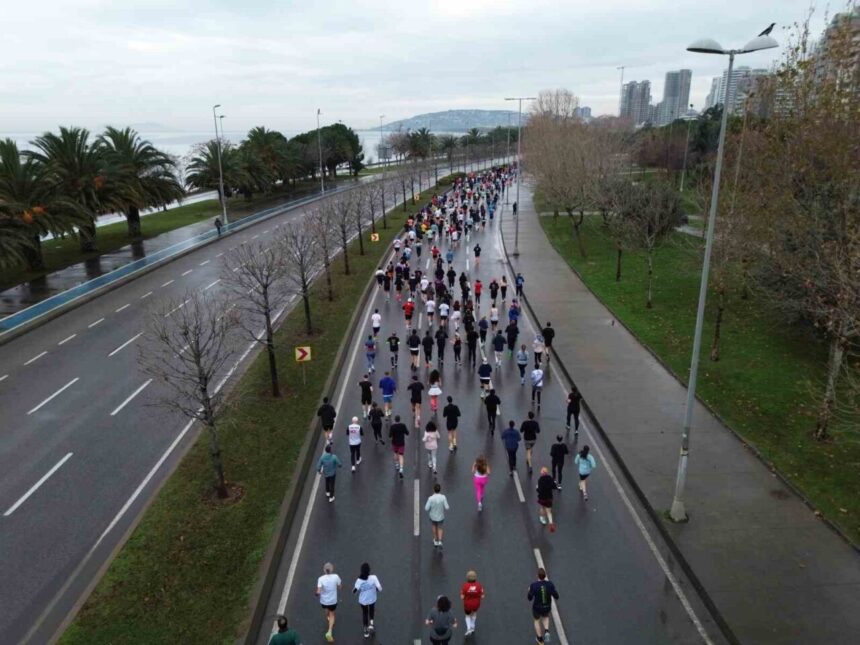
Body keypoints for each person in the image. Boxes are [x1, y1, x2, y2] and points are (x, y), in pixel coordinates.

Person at [527, 568, 559, 644]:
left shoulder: (533, 586)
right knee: (545, 617)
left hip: (537, 608)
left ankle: (540, 639)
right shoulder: (550, 584)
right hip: (547, 607)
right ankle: (546, 630)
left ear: (537, 576)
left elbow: (529, 598)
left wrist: (529, 591)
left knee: (537, 620)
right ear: (545, 576)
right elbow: (556, 596)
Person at [353, 562, 382, 639]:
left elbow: (354, 591)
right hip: (372, 599)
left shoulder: (359, 580)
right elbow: (380, 588)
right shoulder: (374, 577)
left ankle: (365, 630)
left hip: (363, 601)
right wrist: (375, 589)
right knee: (371, 610)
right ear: (369, 570)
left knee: (365, 613)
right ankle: (371, 624)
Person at [316, 562, 342, 643]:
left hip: (324, 601)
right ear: (332, 569)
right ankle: (329, 631)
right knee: (332, 614)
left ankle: (327, 617)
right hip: (333, 601)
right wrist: (338, 587)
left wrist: (317, 593)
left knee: (326, 610)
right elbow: (340, 587)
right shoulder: (336, 577)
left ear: (324, 570)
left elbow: (318, 591)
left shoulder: (320, 579)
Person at [425, 482, 450, 548]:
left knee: (434, 527)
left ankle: (435, 540)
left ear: (434, 490)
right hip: (440, 516)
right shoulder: (443, 497)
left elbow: (426, 508)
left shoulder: (430, 498)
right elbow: (447, 507)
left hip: (433, 516)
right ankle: (440, 541)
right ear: (440, 490)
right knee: (440, 528)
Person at [460, 571, 485, 637]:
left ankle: (468, 628)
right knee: (474, 613)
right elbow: (482, 596)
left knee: (467, 615)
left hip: (467, 604)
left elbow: (462, 597)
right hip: (476, 604)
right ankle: (473, 627)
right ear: (475, 577)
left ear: (467, 577)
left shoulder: (465, 586)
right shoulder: (479, 586)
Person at [536, 467, 559, 531]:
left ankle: (542, 518)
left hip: (542, 498)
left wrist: (537, 488)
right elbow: (554, 486)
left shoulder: (540, 480)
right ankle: (551, 523)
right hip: (549, 497)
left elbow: (539, 490)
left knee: (542, 507)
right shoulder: (550, 478)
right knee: (549, 511)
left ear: (542, 473)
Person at [521, 411, 541, 475]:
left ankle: (530, 466)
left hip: (527, 439)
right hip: (533, 439)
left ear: (528, 416)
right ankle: (528, 457)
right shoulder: (535, 423)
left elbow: (521, 430)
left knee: (528, 451)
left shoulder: (525, 423)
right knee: (530, 449)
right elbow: (538, 431)